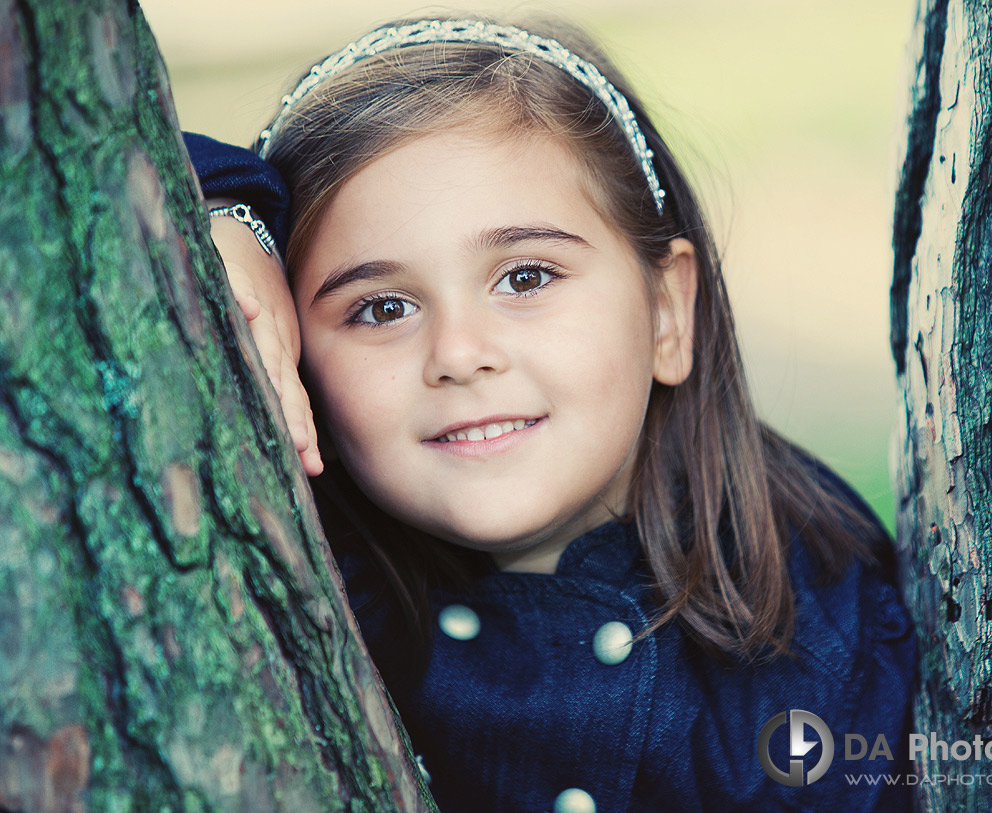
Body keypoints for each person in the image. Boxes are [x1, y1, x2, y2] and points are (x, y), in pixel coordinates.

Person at [189, 14, 915, 811]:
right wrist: (232, 220)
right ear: (290, 348)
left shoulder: (815, 642)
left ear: (668, 312)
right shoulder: (288, 563)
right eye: (383, 307)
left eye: (526, 278)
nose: (460, 352)